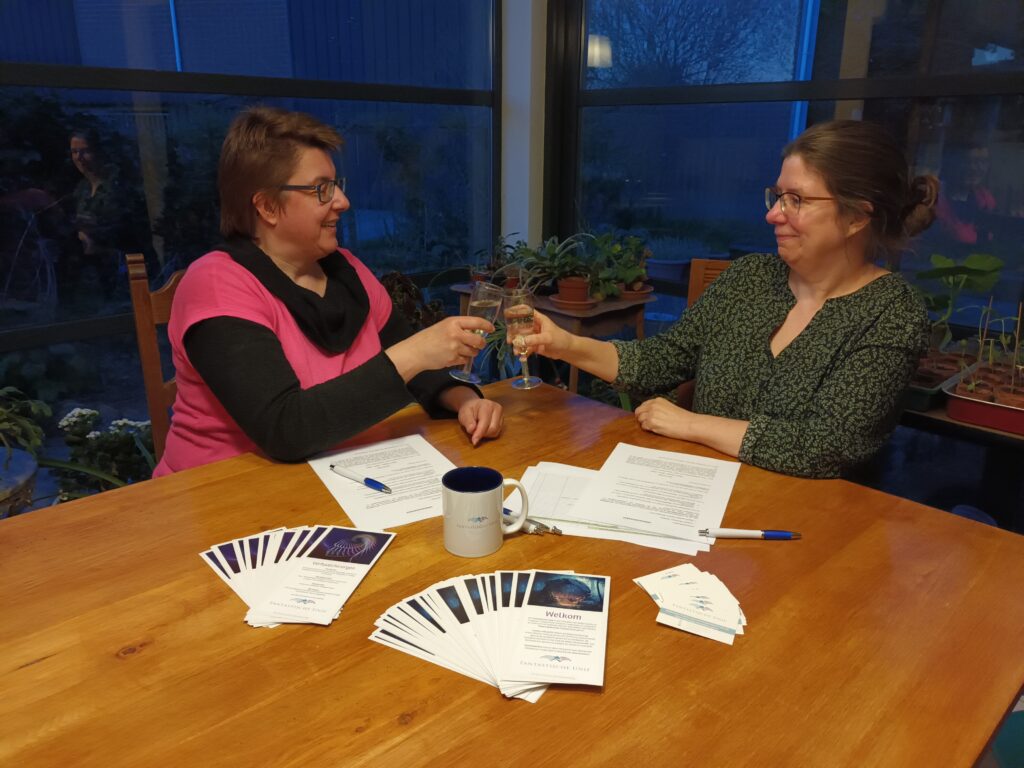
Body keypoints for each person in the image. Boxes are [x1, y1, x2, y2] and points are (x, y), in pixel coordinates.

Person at [523, 120, 938, 479]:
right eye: (777, 196)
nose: (773, 214)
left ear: (857, 217)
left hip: (811, 525)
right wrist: (563, 343)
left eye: (797, 200)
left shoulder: (891, 313)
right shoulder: (750, 278)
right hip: (697, 498)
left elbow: (826, 447)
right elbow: (662, 361)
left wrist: (692, 424)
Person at [152, 106, 502, 477]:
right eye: (322, 189)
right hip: (223, 496)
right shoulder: (217, 284)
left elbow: (415, 370)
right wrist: (414, 353)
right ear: (268, 206)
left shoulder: (348, 269)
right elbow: (287, 429)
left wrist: (463, 399)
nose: (342, 202)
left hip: (343, 479)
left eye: (337, 185)